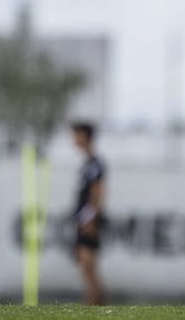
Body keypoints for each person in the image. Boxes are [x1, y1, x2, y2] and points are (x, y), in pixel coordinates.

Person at [70, 121, 106, 306]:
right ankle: (92, 305)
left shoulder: (94, 163)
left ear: (85, 136)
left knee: (88, 265)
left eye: (76, 134)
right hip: (83, 219)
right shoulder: (87, 163)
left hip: (88, 220)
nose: (73, 139)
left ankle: (95, 307)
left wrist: (91, 218)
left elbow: (98, 190)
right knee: (86, 266)